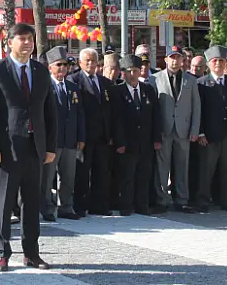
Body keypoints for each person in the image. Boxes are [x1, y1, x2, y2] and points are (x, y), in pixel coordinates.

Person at [0, 23, 57, 272]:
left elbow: (50, 112)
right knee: (4, 202)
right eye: (22, 39)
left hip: (35, 147)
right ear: (9, 42)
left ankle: (31, 253)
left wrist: (50, 146)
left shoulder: (40, 71)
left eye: (30, 39)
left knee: (32, 202)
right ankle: (2, 253)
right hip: (7, 149)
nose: (27, 43)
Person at [195, 46, 227, 213]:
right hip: (210, 134)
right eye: (215, 61)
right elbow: (198, 110)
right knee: (206, 170)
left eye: (222, 61)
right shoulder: (201, 83)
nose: (218, 63)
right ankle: (203, 200)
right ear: (209, 64)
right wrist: (200, 131)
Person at [151, 46, 201, 214]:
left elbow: (196, 107)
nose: (175, 61)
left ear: (182, 60)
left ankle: (182, 200)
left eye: (178, 57)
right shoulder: (155, 79)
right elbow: (154, 109)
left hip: (184, 130)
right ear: (165, 60)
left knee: (182, 166)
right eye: (171, 57)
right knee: (161, 167)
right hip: (164, 130)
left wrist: (195, 129)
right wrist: (155, 133)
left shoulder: (191, 80)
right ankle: (162, 199)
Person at [110, 55, 162, 215]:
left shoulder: (148, 90)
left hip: (146, 142)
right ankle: (126, 205)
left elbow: (156, 116)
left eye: (135, 70)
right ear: (123, 73)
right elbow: (115, 119)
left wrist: (156, 139)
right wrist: (120, 142)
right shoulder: (117, 91)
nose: (132, 74)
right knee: (127, 176)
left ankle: (142, 205)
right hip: (127, 142)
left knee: (144, 175)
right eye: (128, 71)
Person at [68, 48, 114, 217]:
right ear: (80, 63)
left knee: (101, 171)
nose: (90, 63)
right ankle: (80, 206)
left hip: (102, 136)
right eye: (87, 61)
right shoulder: (74, 80)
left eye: (93, 60)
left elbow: (109, 110)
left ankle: (99, 205)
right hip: (85, 136)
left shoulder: (105, 82)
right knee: (82, 172)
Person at [41, 46, 85, 221]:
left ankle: (66, 206)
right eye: (58, 65)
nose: (63, 68)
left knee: (68, 177)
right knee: (47, 177)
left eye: (65, 65)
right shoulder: (44, 86)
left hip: (70, 139)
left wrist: (81, 137)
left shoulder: (72, 87)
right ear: (50, 67)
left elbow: (79, 113)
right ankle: (47, 208)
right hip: (52, 141)